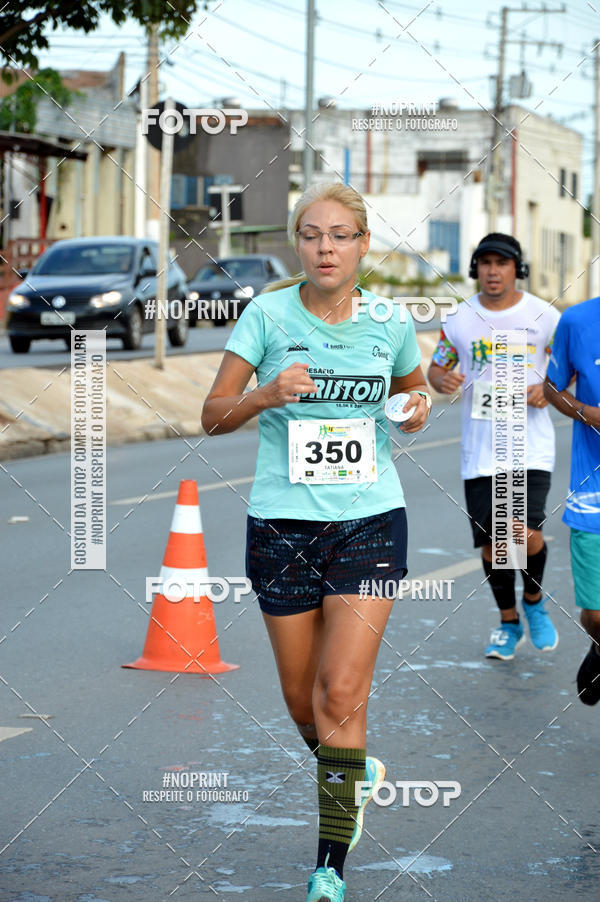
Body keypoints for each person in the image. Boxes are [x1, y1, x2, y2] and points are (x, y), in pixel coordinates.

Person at [201, 182, 431, 902]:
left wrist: (417, 407)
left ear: (364, 244)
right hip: (280, 524)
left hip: (370, 522)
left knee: (341, 691)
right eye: (311, 234)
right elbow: (212, 416)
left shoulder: (390, 320)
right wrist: (266, 394)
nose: (325, 247)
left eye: (340, 234)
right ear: (296, 244)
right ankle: (351, 770)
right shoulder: (266, 315)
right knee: (304, 704)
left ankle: (329, 863)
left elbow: (416, 392)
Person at [427, 233, 560, 660]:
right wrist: (440, 379)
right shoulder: (460, 320)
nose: (492, 271)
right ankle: (508, 621)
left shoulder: (544, 316)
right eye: (484, 263)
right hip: (481, 451)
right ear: (475, 270)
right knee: (494, 545)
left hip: (530, 444)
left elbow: (567, 366)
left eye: (501, 263)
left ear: (515, 268)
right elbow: (437, 365)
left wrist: (551, 387)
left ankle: (534, 603)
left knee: (524, 534)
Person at [543, 296, 600, 703]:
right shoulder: (578, 320)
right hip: (592, 494)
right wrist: (585, 411)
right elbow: (551, 387)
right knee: (597, 615)